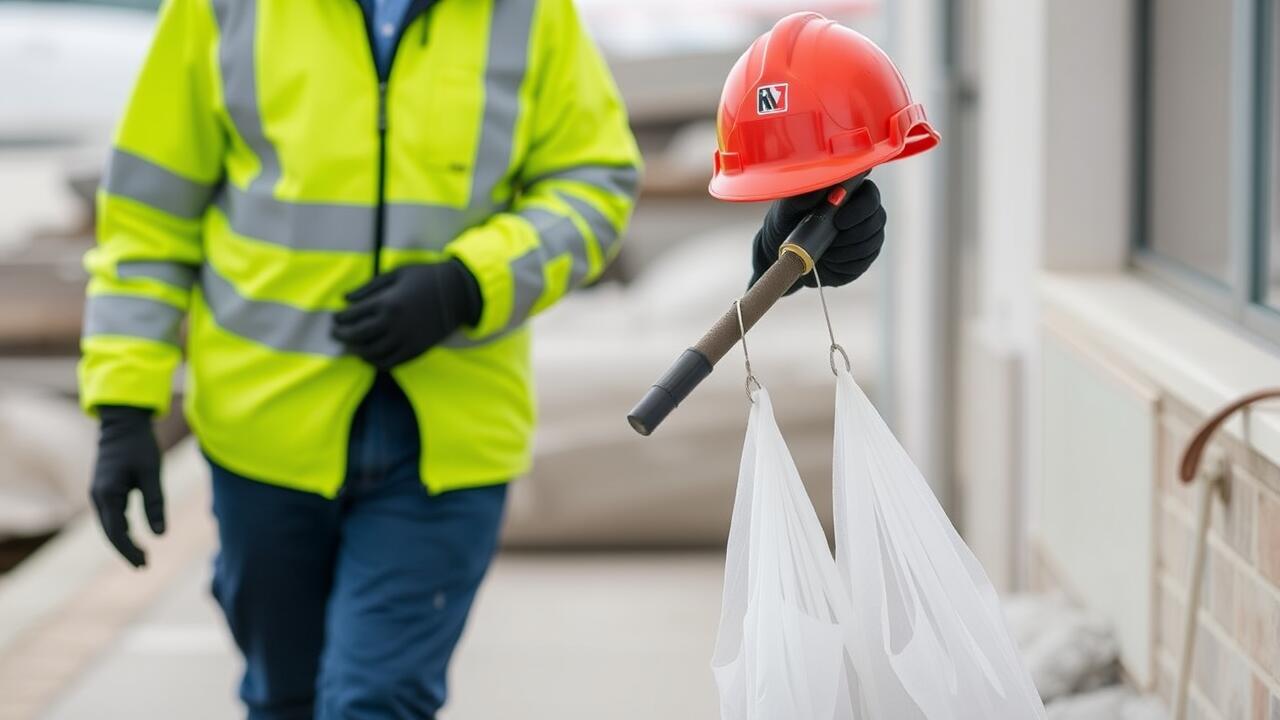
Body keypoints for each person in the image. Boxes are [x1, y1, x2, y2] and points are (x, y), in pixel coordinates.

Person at [80, 0, 885, 717]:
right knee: (281, 695)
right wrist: (123, 408)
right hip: (261, 436)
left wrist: (470, 282)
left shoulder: (528, 15)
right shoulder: (222, 11)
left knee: (375, 699)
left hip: (447, 444)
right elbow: (148, 219)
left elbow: (596, 184)